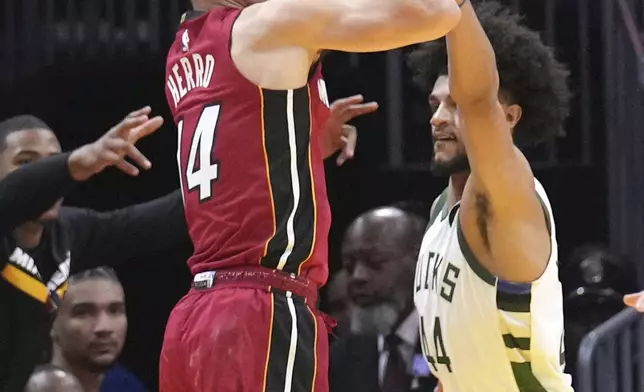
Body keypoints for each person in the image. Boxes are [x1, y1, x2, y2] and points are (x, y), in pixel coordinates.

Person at [160, 0, 463, 390]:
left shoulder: (184, 51)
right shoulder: (270, 23)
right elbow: (435, 13)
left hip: (197, 316)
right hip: (259, 309)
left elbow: (235, 156)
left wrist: (305, 138)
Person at [407, 0, 573, 390]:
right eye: (436, 104)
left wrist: (457, 10)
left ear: (510, 118)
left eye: (455, 104)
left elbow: (480, 100)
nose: (438, 118)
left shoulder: (506, 195)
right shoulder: (441, 212)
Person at [0, 109, 190, 391]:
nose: (46, 176)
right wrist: (78, 162)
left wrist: (236, 180)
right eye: (25, 162)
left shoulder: (67, 232)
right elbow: (15, 196)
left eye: (51, 162)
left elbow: (155, 221)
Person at [330, 206, 437, 392]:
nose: (357, 276)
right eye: (349, 266)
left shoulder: (451, 338)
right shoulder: (339, 357)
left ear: (418, 261)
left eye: (374, 261)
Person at [50, 267, 148, 392]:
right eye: (83, 313)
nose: (104, 327)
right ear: (51, 322)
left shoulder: (126, 385)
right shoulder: (23, 384)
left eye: (115, 310)